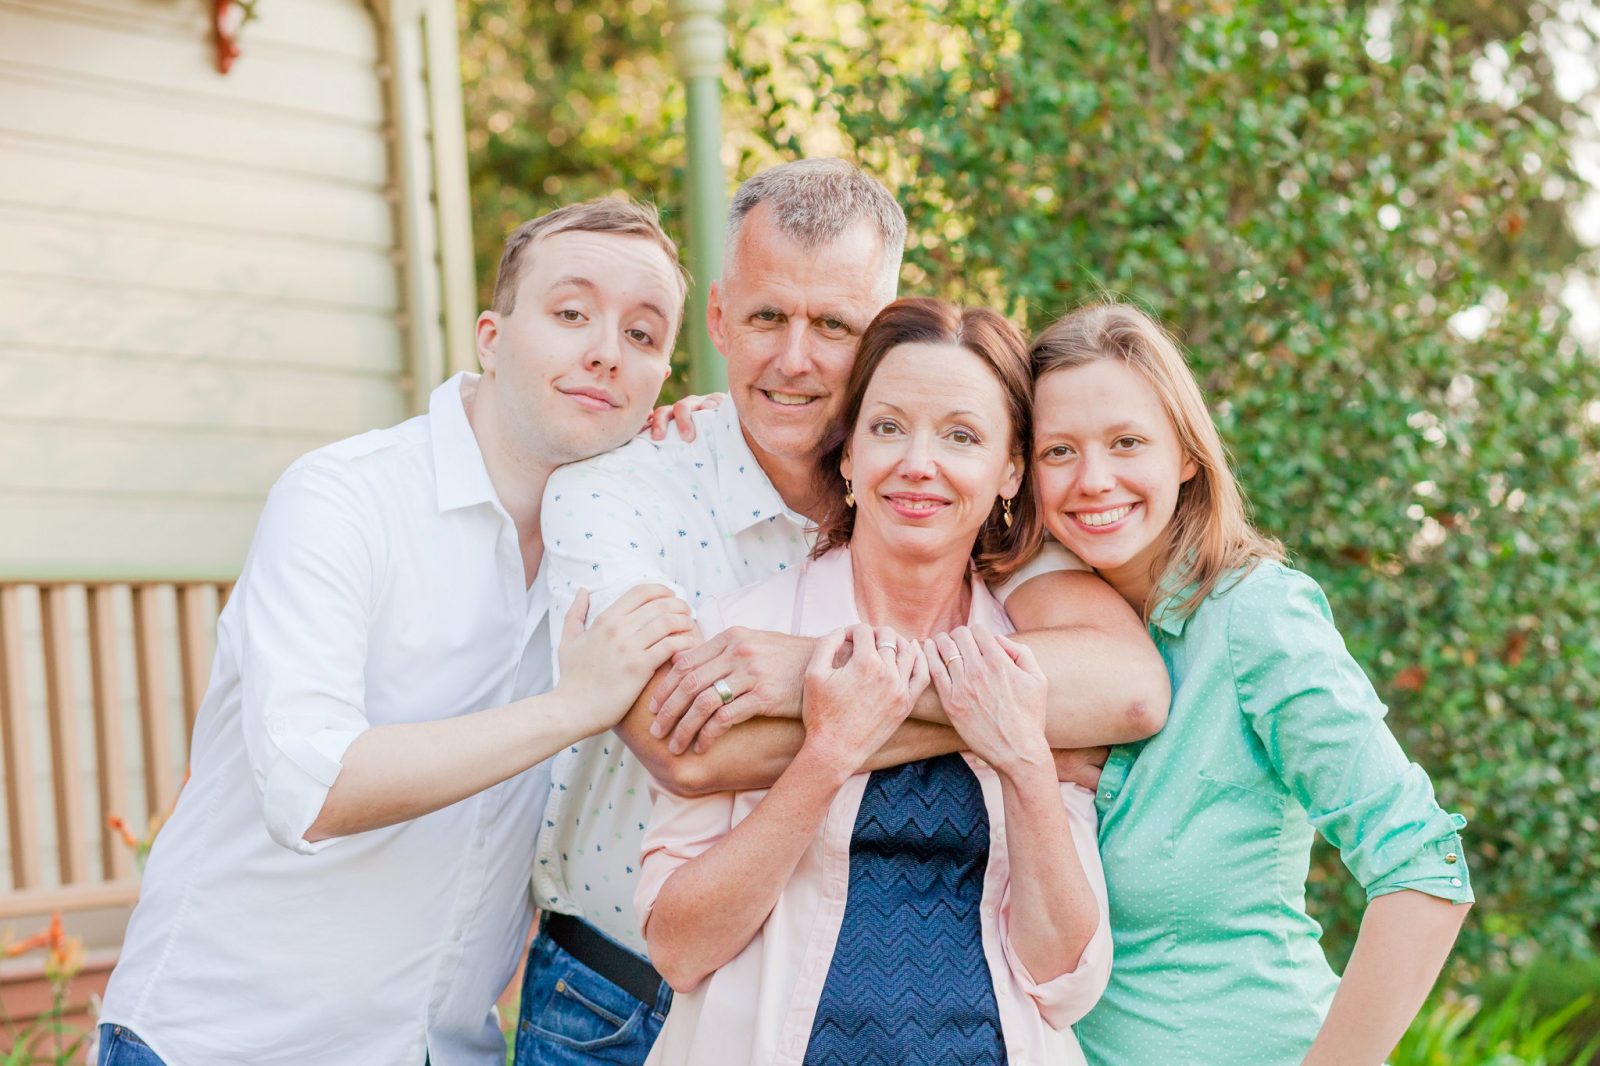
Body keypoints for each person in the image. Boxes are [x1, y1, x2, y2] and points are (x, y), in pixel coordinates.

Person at [518, 159, 1164, 1065]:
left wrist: (856, 684)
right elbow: (684, 749)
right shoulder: (626, 497)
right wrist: (961, 716)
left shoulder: (994, 563)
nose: (795, 358)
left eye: (833, 325)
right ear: (719, 318)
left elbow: (1130, 690)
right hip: (612, 987)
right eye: (766, 317)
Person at [97, 198, 699, 1066]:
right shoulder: (344, 499)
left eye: (643, 336)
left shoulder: (618, 545)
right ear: (491, 338)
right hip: (222, 1043)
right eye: (571, 314)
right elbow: (312, 788)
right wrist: (573, 706)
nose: (607, 349)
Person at [637, 298, 1112, 1065]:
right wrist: (826, 756)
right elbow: (678, 948)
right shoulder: (742, 636)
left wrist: (1024, 760)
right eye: (889, 427)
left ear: (1011, 471)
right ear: (850, 453)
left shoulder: (1037, 659)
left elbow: (1064, 982)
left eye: (961, 436)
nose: (918, 463)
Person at [1027, 301, 1474, 1065]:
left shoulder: (1255, 616)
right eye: (1058, 451)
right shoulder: (1026, 623)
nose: (1093, 480)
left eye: (1127, 442)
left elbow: (1422, 868)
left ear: (1187, 456)